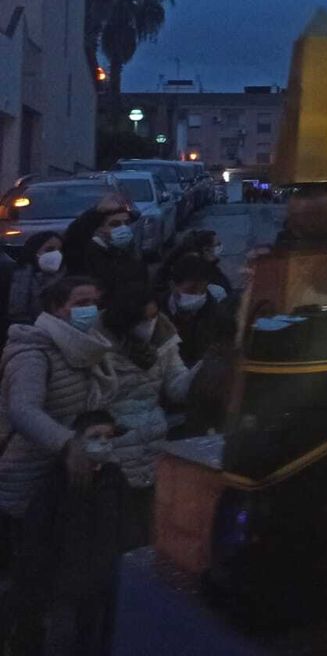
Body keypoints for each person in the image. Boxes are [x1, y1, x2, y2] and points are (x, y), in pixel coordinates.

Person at [0, 278, 116, 524]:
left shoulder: (87, 347)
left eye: (94, 302)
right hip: (28, 476)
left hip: (68, 475)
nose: (90, 309)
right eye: (81, 302)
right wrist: (67, 443)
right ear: (56, 307)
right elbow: (23, 410)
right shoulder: (33, 352)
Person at [11, 409, 125, 656]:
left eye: (109, 436)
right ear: (77, 440)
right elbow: (38, 541)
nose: (104, 443)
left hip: (99, 588)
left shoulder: (114, 478)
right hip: (62, 591)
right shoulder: (57, 484)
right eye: (95, 436)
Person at [100, 289, 195, 548]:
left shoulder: (163, 338)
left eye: (154, 316)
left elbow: (176, 387)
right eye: (145, 319)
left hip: (153, 443)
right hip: (113, 446)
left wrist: (200, 372)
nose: (151, 324)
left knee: (147, 525)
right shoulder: (95, 345)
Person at [60, 202, 148, 310]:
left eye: (126, 223)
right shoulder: (87, 253)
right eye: (115, 224)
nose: (123, 228)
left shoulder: (129, 253)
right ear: (100, 229)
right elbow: (73, 237)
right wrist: (96, 211)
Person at [162, 254, 228, 366]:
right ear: (173, 286)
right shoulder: (156, 309)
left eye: (202, 290)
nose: (198, 295)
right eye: (191, 290)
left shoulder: (216, 314)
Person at [6, 232, 65, 336]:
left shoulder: (66, 278)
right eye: (49, 250)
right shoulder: (14, 276)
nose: (56, 255)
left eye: (60, 250)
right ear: (34, 250)